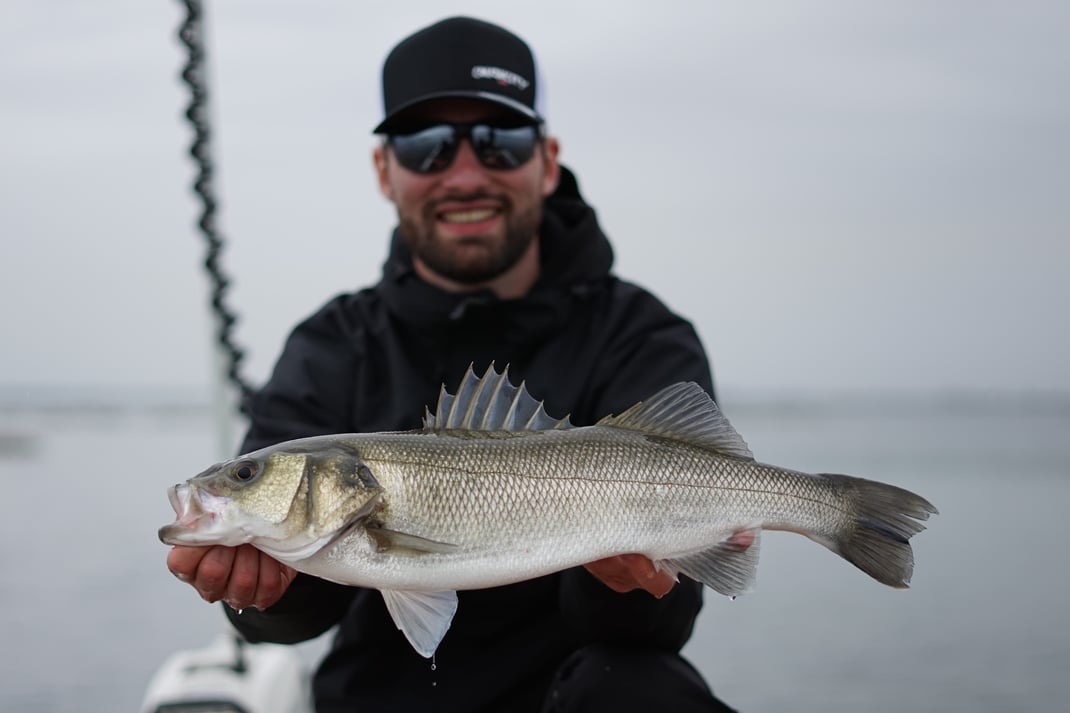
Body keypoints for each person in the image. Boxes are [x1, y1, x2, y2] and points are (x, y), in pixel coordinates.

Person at [167, 16, 736, 713]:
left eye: (500, 142)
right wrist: (262, 591)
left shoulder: (640, 334)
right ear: (385, 169)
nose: (465, 174)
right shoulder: (332, 344)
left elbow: (660, 626)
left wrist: (617, 580)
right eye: (426, 146)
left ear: (547, 159)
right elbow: (287, 617)